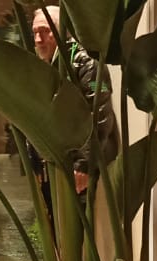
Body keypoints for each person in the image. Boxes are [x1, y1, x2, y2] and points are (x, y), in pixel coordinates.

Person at [28, 6, 119, 195]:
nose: (38, 39)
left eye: (44, 31)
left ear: (61, 31)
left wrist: (84, 164)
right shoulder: (42, 66)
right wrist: (34, 161)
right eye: (35, 32)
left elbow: (100, 112)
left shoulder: (87, 62)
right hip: (55, 164)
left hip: (87, 166)